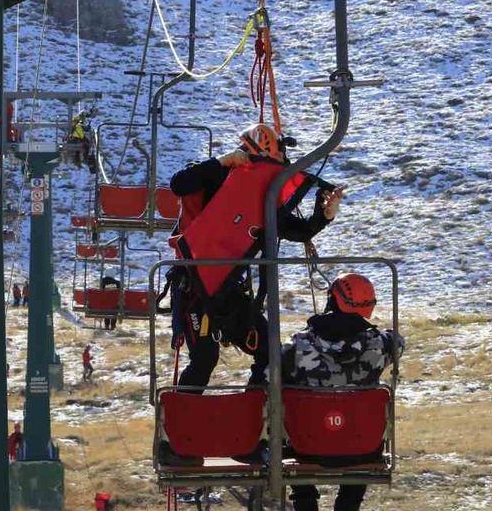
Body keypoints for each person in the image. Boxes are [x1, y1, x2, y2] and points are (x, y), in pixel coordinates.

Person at [166, 123, 345, 391]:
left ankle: (258, 411)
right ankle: (181, 422)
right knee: (204, 359)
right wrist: (223, 161)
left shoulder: (262, 197)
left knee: (270, 350)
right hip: (195, 286)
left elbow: (295, 230)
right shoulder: (216, 175)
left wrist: (324, 216)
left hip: (229, 289)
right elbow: (179, 183)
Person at [283, 273, 404, 511]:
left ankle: (305, 501)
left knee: (286, 418)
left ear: (332, 300)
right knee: (360, 429)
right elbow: (398, 342)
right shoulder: (381, 345)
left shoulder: (298, 346)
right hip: (362, 450)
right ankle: (349, 504)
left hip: (307, 448)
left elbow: (273, 375)